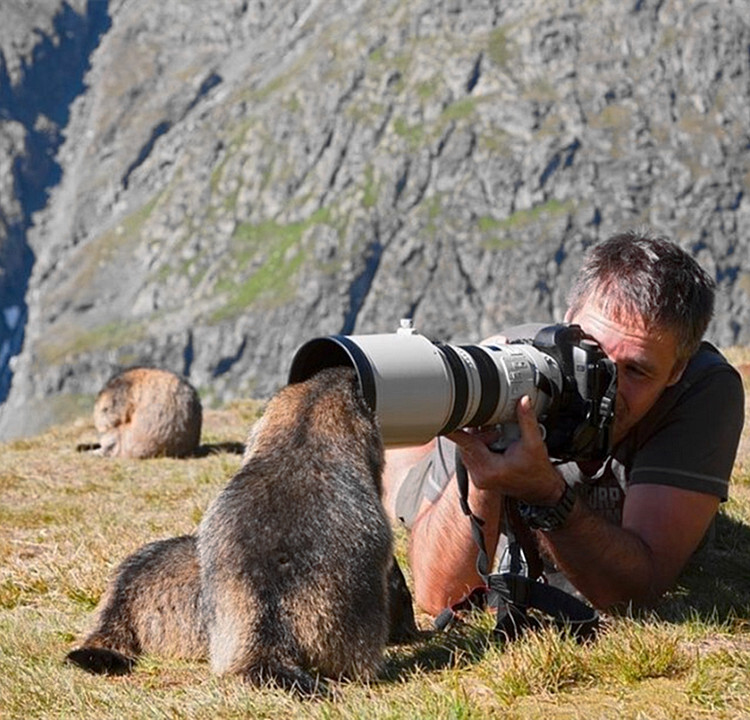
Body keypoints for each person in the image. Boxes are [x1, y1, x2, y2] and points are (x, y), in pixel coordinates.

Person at [383, 230, 745, 616]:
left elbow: (639, 590)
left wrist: (547, 496)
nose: (608, 384)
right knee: (399, 481)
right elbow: (440, 596)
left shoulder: (701, 390)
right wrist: (482, 468)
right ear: (568, 321)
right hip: (421, 470)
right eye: (593, 352)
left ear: (676, 371)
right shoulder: (510, 372)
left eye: (636, 370)